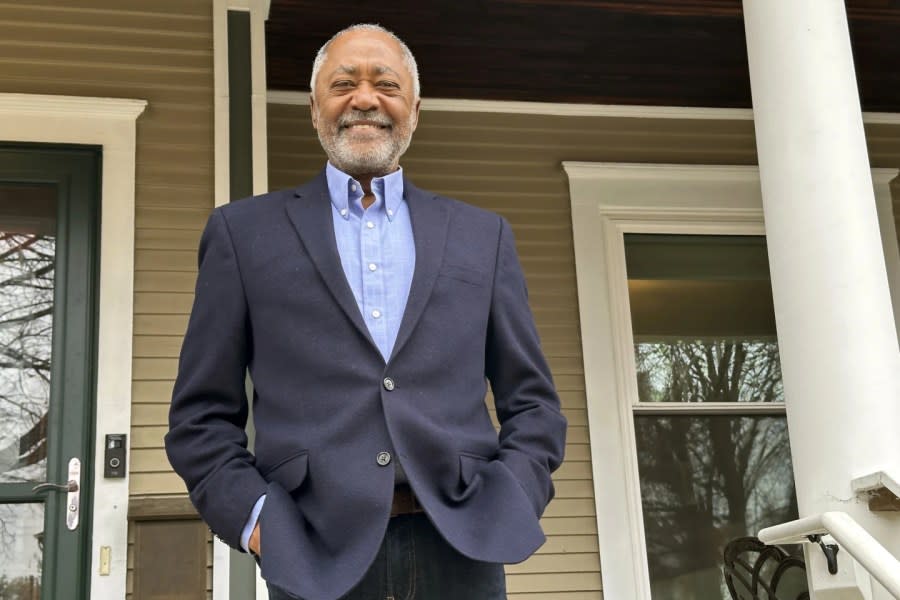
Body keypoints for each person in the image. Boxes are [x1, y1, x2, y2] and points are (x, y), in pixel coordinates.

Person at [165, 23, 567, 600]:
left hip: (463, 547)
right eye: (343, 83)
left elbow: (533, 404)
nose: (364, 98)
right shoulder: (241, 234)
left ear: (414, 110)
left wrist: (514, 495)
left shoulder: (484, 236)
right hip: (311, 551)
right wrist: (260, 525)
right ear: (314, 108)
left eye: (386, 84)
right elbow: (200, 418)